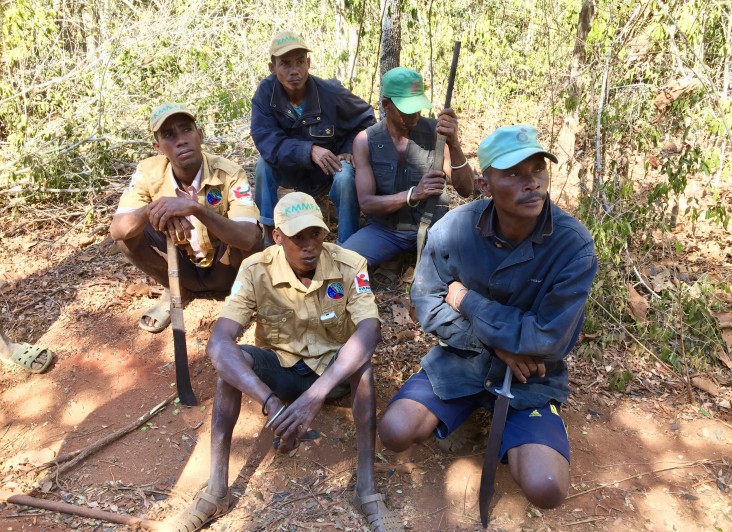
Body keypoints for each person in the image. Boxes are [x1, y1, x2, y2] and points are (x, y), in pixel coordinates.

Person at [377, 125, 598, 511]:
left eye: (537, 170)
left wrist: (468, 301)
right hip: (463, 359)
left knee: (546, 488)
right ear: (484, 183)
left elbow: (547, 340)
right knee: (394, 431)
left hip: (531, 375)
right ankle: (466, 407)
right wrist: (496, 343)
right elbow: (426, 301)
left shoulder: (572, 245)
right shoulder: (454, 229)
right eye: (513, 173)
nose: (531, 184)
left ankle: (527, 425)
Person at [167, 192, 403, 532]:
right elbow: (218, 344)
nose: (309, 246)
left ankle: (367, 490)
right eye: (297, 237)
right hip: (280, 371)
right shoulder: (254, 270)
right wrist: (272, 404)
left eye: (315, 235)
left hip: (330, 373)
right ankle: (217, 490)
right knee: (229, 368)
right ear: (277, 237)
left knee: (362, 366)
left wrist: (315, 395)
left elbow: (369, 331)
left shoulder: (351, 265)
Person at [110, 103, 263, 333]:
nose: (180, 140)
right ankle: (176, 290)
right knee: (129, 234)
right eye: (169, 135)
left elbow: (249, 239)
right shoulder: (148, 172)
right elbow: (117, 230)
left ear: (199, 136)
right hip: (183, 267)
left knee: (255, 233)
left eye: (186, 130)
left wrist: (195, 209)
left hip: (226, 269)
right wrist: (157, 209)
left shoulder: (230, 172)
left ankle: (244, 296)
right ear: (158, 147)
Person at [251, 31, 376, 247]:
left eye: (300, 62)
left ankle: (348, 245)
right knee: (263, 165)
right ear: (272, 68)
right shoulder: (265, 94)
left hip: (326, 168)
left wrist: (349, 148)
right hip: (289, 167)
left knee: (346, 175)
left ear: (308, 63)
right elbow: (266, 140)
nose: (294, 71)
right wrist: (308, 150)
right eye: (285, 64)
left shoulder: (329, 92)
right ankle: (269, 238)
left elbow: (366, 118)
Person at [341, 66, 474, 269]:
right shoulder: (365, 141)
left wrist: (454, 144)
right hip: (385, 230)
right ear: (387, 105)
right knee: (342, 263)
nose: (414, 115)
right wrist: (413, 194)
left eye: (418, 107)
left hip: (434, 227)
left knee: (472, 262)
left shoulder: (436, 133)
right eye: (407, 109)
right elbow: (367, 203)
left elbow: (466, 190)